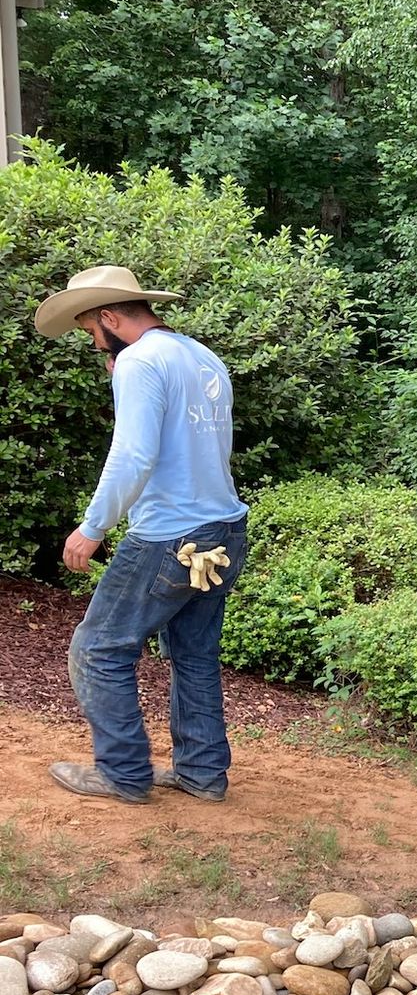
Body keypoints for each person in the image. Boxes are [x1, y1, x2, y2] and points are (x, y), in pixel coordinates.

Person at [34, 265, 250, 804]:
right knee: (195, 654)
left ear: (110, 318)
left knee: (99, 648)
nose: (93, 340)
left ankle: (122, 774)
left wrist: (92, 527)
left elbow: (133, 453)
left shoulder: (138, 361)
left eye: (89, 330)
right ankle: (202, 775)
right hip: (223, 528)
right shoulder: (201, 356)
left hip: (168, 539)